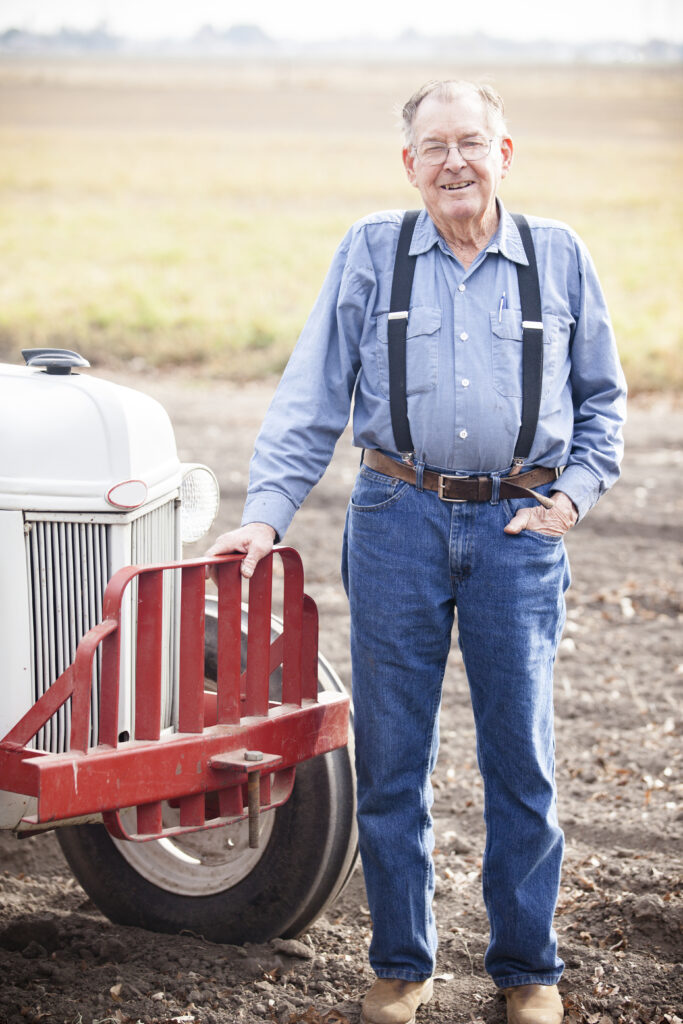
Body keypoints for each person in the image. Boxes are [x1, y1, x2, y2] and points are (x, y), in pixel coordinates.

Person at [207, 80, 626, 1024]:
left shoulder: (557, 257)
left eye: (470, 144)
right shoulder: (370, 251)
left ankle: (528, 973)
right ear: (408, 164)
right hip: (396, 520)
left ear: (504, 152)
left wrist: (570, 498)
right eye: (432, 147)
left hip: (519, 532)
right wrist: (266, 514)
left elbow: (604, 400)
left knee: (520, 762)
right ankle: (401, 963)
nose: (453, 163)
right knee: (392, 760)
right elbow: (310, 395)